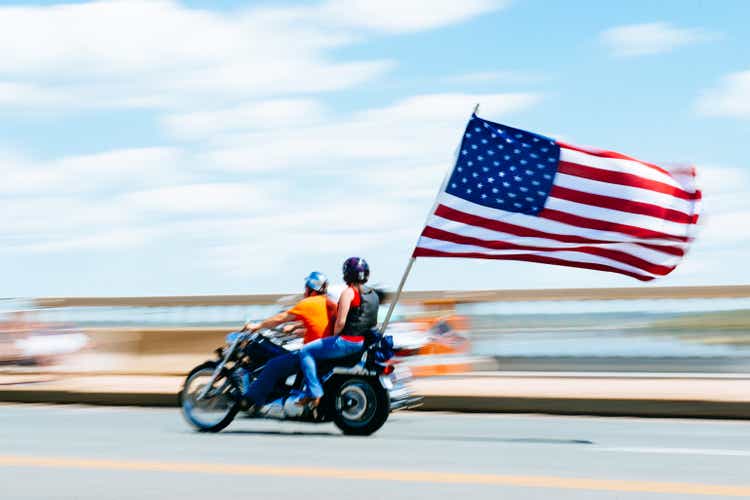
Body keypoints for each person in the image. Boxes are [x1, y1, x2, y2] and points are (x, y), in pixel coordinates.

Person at [235, 271, 336, 408]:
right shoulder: (328, 304)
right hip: (326, 351)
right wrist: (296, 330)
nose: (304, 291)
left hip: (312, 354)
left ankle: (251, 400)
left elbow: (280, 318)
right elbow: (318, 328)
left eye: (306, 287)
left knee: (273, 365)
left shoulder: (308, 303)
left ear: (311, 289)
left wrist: (257, 325)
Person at [298, 257, 380, 406]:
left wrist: (333, 336)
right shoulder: (374, 295)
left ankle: (313, 392)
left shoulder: (349, 292)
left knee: (305, 351)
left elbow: (340, 321)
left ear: (347, 273)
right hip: (362, 342)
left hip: (347, 341)